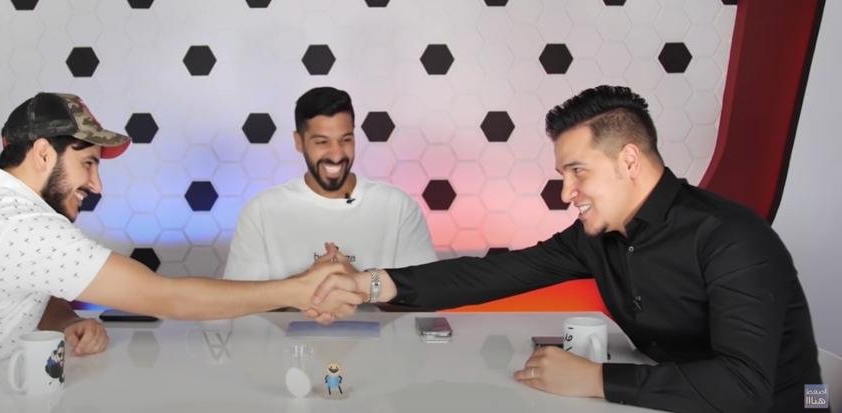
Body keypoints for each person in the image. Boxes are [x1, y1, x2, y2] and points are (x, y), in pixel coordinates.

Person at [310, 85, 822, 412]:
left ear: (628, 161)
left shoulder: (731, 236)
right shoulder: (596, 237)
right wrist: (371, 284)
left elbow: (744, 386)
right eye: (563, 173)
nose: (565, 192)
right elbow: (496, 273)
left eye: (578, 171)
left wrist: (597, 379)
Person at [0, 92, 362, 412]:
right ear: (44, 154)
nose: (96, 185)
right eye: (88, 163)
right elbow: (167, 298)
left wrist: (66, 320)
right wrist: (300, 291)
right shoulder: (19, 226)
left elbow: (17, 291)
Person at [224, 87, 436, 284]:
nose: (336, 154)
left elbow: (426, 294)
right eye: (322, 142)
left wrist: (359, 283)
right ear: (299, 142)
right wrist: (305, 284)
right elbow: (240, 302)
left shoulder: (398, 207)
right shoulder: (261, 211)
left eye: (345, 140)